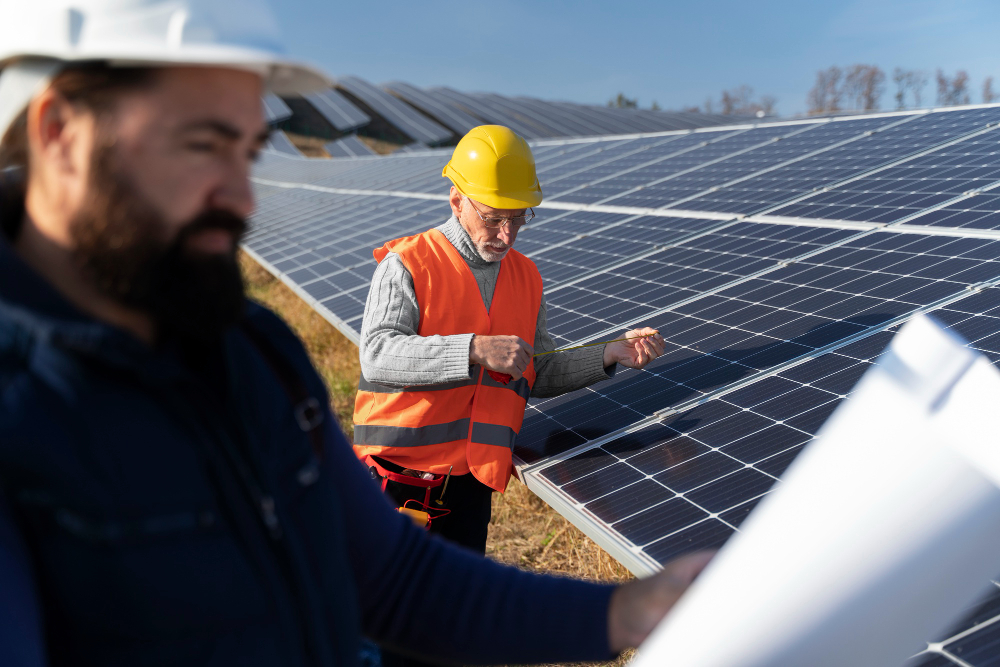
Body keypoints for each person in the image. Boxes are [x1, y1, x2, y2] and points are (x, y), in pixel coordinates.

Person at [0, 1, 711, 666]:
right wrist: (466, 352)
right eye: (202, 145)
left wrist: (626, 610)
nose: (244, 200)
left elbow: (398, 580)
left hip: (467, 481)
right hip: (406, 473)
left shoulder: (253, 354)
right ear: (60, 133)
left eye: (246, 153)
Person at [354, 125, 665, 554]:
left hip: (470, 487)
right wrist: (473, 349)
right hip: (395, 481)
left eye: (518, 218)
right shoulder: (407, 263)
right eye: (494, 217)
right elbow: (376, 354)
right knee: (382, 612)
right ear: (456, 200)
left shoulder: (526, 276)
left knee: (457, 611)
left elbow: (535, 371)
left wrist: (609, 354)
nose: (507, 234)